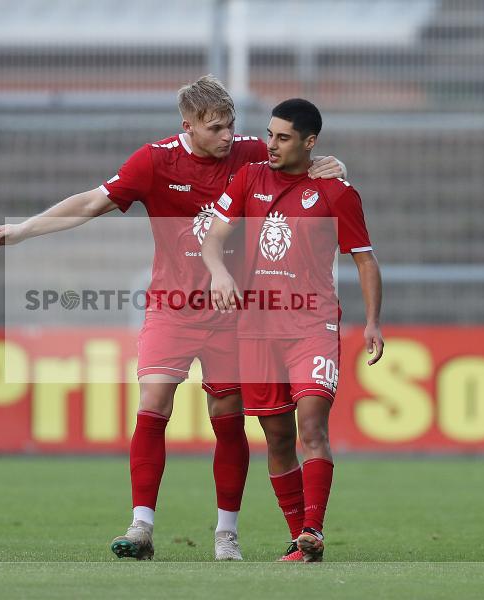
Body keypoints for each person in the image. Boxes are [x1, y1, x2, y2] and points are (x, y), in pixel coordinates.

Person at [0, 76, 346, 561]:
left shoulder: (253, 152)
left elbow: (305, 164)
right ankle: (141, 526)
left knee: (227, 420)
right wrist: (23, 230)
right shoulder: (154, 161)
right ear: (187, 127)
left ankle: (225, 534)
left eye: (232, 126)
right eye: (215, 128)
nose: (227, 136)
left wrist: (335, 166)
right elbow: (91, 202)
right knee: (153, 403)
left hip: (233, 313)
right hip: (172, 307)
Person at [201, 98, 384, 562]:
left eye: (283, 137)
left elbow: (365, 259)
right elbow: (214, 237)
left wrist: (372, 323)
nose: (271, 145)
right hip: (257, 329)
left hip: (312, 326)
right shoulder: (250, 178)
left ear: (309, 142)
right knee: (278, 437)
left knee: (312, 428)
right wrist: (220, 273)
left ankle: (313, 530)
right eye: (269, 135)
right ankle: (300, 541)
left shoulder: (336, 192)